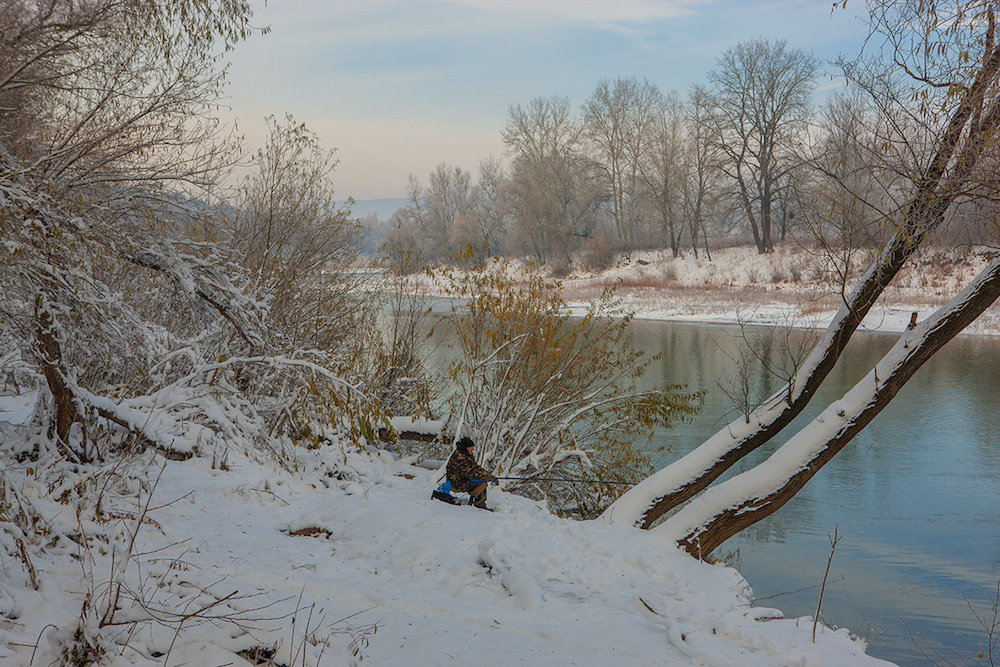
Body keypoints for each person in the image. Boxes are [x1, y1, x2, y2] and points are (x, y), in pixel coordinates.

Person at [446, 436, 497, 509]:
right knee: (482, 482)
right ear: (466, 447)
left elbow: (475, 468)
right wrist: (486, 476)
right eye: (471, 447)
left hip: (461, 480)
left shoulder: (465, 455)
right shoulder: (460, 457)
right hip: (456, 483)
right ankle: (479, 504)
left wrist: (488, 475)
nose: (473, 449)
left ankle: (477, 499)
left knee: (481, 478)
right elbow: (471, 473)